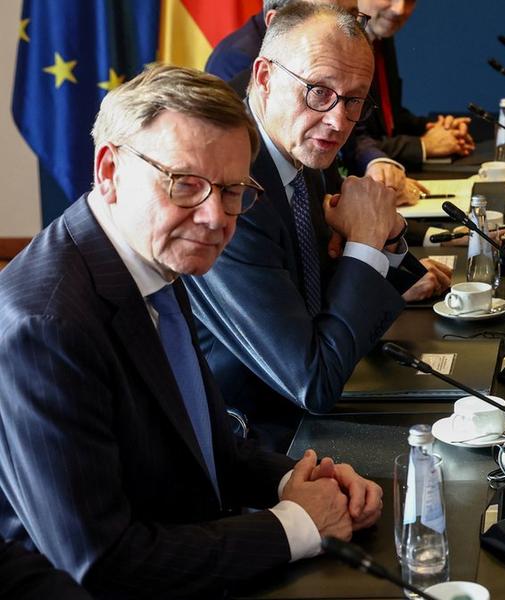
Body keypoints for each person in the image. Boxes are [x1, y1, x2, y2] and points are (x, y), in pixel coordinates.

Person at [0, 64, 380, 597]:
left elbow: (200, 443)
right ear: (108, 170)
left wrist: (298, 480)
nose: (215, 218)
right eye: (185, 185)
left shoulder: (151, 253)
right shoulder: (47, 325)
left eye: (232, 191)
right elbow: (101, 563)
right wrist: (298, 524)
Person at [184, 3, 452, 449]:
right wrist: (366, 242)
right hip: (255, 439)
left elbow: (320, 293)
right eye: (319, 92)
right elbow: (313, 382)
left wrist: (382, 237)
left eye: (354, 100)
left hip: (313, 408)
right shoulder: (231, 191)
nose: (337, 122)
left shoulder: (298, 147)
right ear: (264, 77)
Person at [342, 0, 475, 186]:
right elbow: (350, 142)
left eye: (410, 1)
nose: (399, 9)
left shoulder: (383, 39)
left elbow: (390, 117)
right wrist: (425, 145)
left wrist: (436, 129)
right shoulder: (340, 45)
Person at [204, 0, 357, 83]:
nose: (347, 34)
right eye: (327, 19)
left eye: (353, 16)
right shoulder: (234, 63)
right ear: (276, 21)